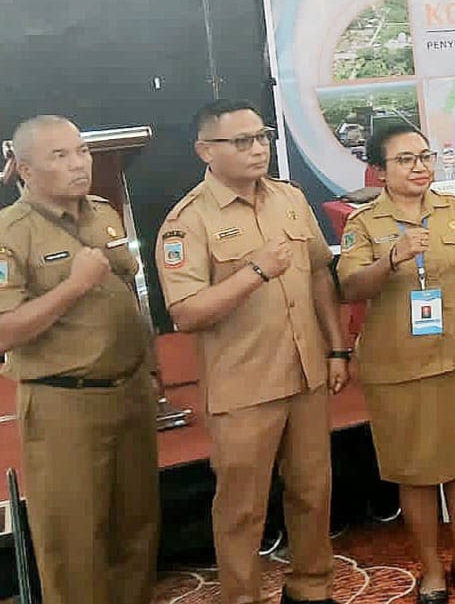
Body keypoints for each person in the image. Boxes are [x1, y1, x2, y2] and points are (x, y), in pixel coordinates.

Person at [157, 100, 347, 604]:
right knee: (242, 508)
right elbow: (186, 312)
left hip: (305, 372)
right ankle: (242, 597)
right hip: (244, 385)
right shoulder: (187, 222)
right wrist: (255, 271)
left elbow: (320, 273)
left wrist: (337, 348)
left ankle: (311, 588)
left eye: (262, 137)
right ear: (205, 151)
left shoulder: (290, 198)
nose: (258, 148)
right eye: (242, 141)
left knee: (313, 491)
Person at [338, 123, 455, 601]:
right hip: (398, 365)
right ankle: (431, 568)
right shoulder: (364, 223)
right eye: (405, 160)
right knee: (414, 470)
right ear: (379, 171)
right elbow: (350, 288)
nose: (420, 167)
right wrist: (390, 259)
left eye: (425, 156)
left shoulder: (453, 211)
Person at [0, 116, 159, 604]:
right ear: (25, 169)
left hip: (129, 391)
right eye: (59, 156)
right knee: (74, 540)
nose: (78, 164)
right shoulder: (7, 234)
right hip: (65, 403)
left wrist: (150, 365)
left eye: (81, 151)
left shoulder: (103, 212)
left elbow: (128, 291)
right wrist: (73, 287)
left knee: (137, 528)